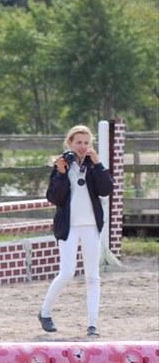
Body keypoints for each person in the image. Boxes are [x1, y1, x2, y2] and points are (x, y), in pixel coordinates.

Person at [39, 125, 114, 337]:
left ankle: (92, 324)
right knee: (67, 272)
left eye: (86, 143)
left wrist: (99, 165)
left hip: (91, 225)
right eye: (78, 142)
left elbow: (106, 190)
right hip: (69, 226)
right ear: (70, 143)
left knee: (93, 276)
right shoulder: (62, 165)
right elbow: (55, 198)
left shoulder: (94, 165)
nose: (82, 147)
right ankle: (45, 313)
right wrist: (62, 174)